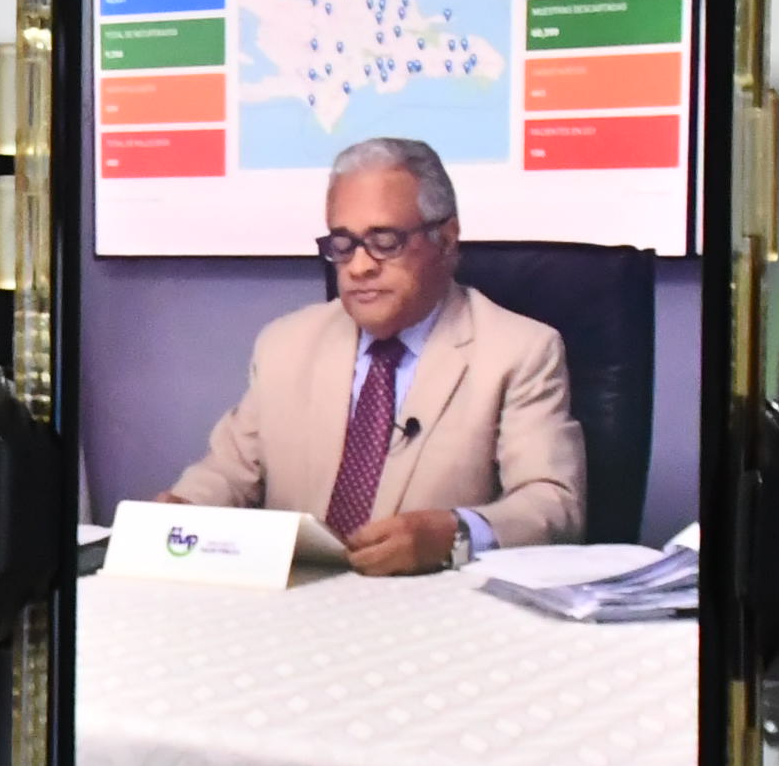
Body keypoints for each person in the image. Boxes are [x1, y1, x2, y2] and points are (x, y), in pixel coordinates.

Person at [162, 136, 584, 570]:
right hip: (297, 595)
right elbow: (229, 474)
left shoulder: (518, 351)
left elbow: (553, 505)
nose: (360, 267)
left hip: (432, 599)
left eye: (385, 241)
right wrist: (182, 508)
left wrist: (456, 535)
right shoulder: (285, 344)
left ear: (445, 240)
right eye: (343, 244)